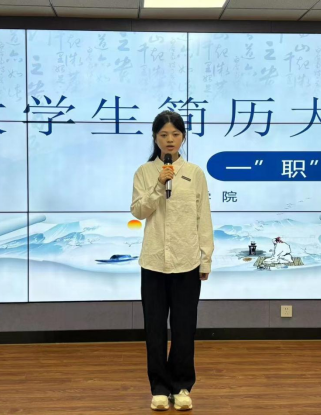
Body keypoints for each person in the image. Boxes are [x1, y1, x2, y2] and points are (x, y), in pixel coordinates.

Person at [130, 110, 214, 411]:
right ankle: (159, 388)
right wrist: (158, 184)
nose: (170, 140)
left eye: (175, 134)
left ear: (183, 138)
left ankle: (181, 386)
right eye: (164, 134)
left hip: (186, 262)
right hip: (153, 262)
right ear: (155, 138)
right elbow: (138, 211)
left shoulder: (195, 173)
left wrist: (206, 259)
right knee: (154, 329)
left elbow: (203, 217)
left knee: (183, 329)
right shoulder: (144, 172)